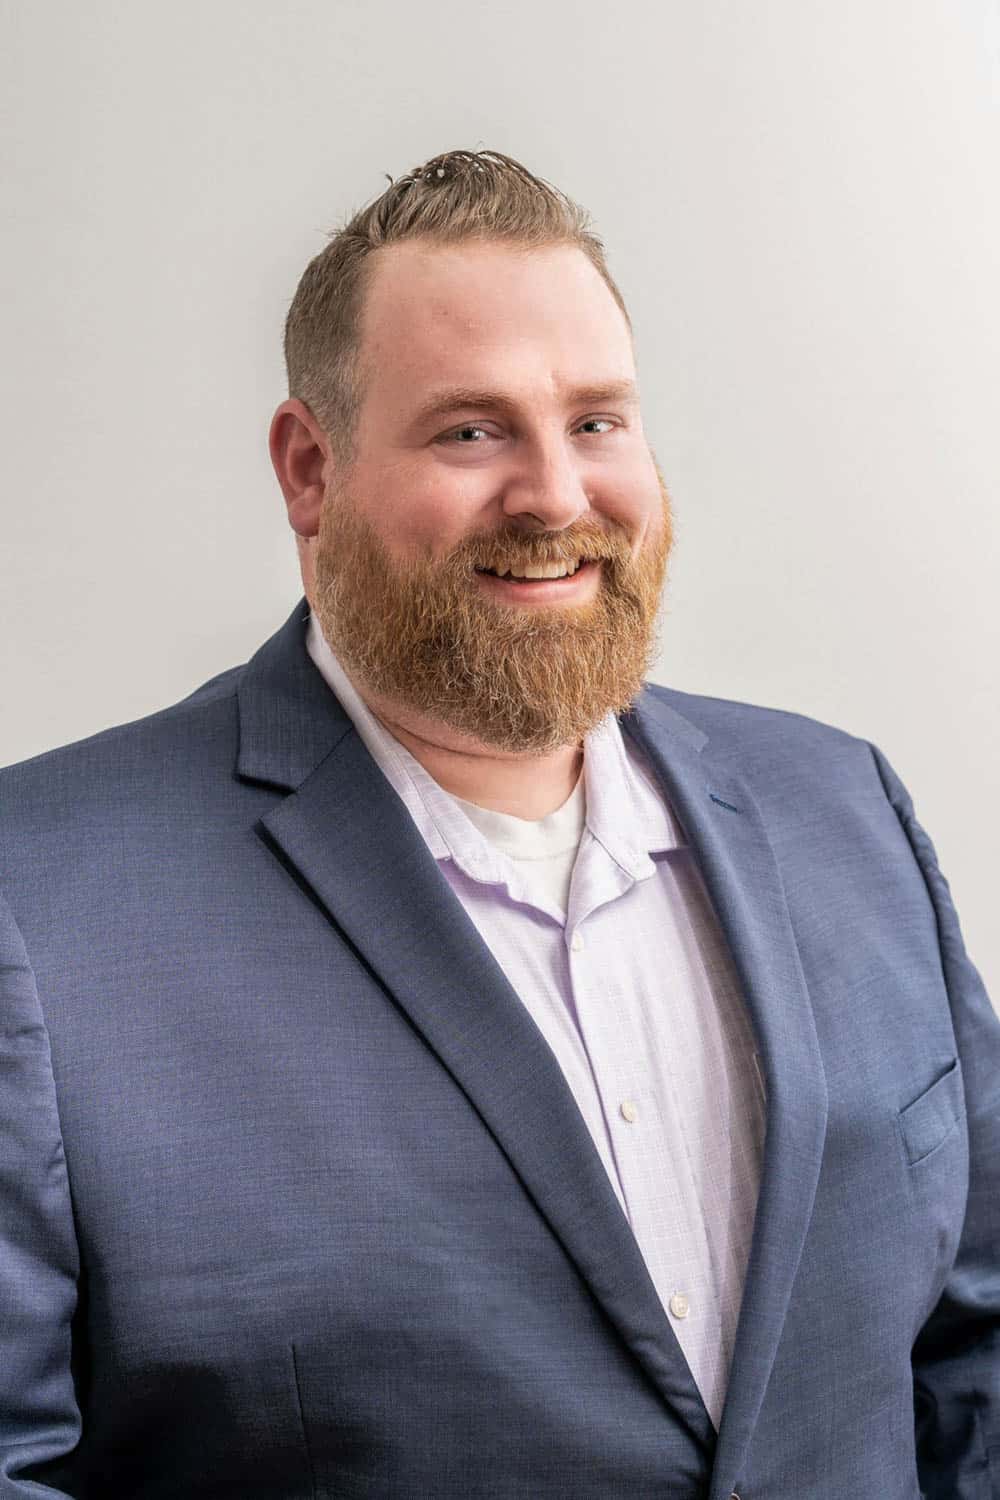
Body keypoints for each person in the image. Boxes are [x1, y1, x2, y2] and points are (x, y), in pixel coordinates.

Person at [1, 148, 997, 1500]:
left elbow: (972, 1355)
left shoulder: (847, 808)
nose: (554, 496)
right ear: (311, 469)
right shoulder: (45, 900)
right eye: (471, 430)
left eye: (596, 420)